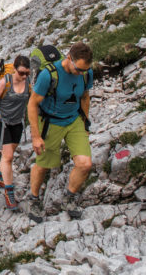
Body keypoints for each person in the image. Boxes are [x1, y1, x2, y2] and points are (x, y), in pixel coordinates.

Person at [26, 42, 94, 223]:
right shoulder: (49, 75)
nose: (81, 73)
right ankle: (33, 199)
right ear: (69, 58)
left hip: (73, 121)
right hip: (50, 122)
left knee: (85, 164)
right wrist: (36, 136)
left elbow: (85, 96)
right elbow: (32, 104)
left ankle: (69, 197)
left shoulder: (86, 73)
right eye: (79, 69)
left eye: (85, 70)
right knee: (43, 164)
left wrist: (85, 124)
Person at [0, 55, 32, 210]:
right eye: (21, 73)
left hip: (17, 123)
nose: (24, 76)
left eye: (27, 73)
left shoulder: (28, 83)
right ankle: (9, 192)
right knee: (8, 156)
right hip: (0, 122)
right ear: (15, 70)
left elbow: (33, 101)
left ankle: (0, 174)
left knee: (9, 153)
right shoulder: (5, 82)